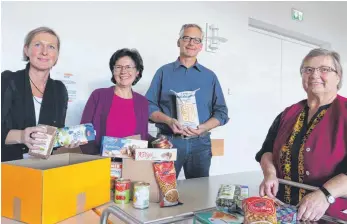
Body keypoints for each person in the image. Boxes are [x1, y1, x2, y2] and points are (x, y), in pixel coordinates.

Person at [256, 48, 347, 221]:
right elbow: (267, 150)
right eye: (308, 70)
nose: (314, 75)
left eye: (324, 69)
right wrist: (270, 174)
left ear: (338, 76)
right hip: (284, 209)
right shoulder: (288, 113)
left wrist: (325, 194)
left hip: (331, 215)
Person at [146, 24, 229, 179]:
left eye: (196, 40)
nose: (191, 43)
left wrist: (204, 127)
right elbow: (147, 107)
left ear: (200, 46)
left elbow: (222, 112)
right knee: (163, 190)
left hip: (201, 143)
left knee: (200, 192)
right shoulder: (163, 72)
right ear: (179, 42)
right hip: (168, 141)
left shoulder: (210, 77)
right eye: (187, 38)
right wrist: (169, 120)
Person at [1, 27, 77, 162]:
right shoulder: (7, 81)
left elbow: (55, 133)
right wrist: (21, 135)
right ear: (26, 50)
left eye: (51, 47)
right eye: (38, 45)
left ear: (57, 55)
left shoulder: (59, 90)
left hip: (42, 167)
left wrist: (65, 139)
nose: (44, 52)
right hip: (8, 166)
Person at [80, 48, 151, 155]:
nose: (123, 71)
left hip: (131, 165)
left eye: (128, 67)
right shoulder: (98, 95)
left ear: (137, 72)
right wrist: (95, 158)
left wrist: (159, 142)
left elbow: (143, 135)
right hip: (101, 162)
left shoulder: (142, 102)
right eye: (118, 67)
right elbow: (84, 131)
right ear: (113, 71)